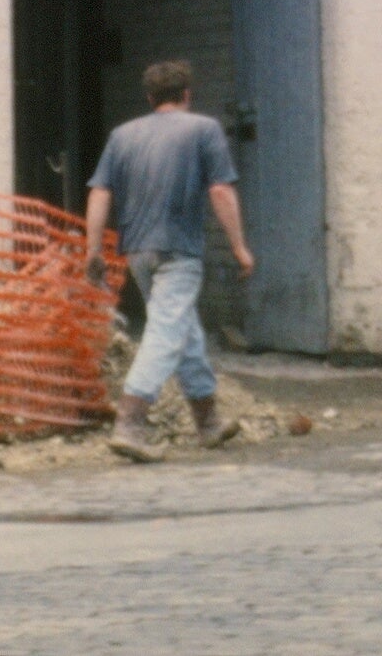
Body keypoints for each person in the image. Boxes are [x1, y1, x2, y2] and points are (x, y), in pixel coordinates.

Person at [83, 59, 253, 461]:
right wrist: (239, 247)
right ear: (187, 95)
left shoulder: (123, 135)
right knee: (164, 332)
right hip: (178, 250)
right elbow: (221, 192)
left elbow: (100, 193)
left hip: (138, 252)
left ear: (149, 98)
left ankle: (207, 420)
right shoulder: (203, 129)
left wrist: (92, 250)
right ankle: (130, 422)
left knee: (183, 329)